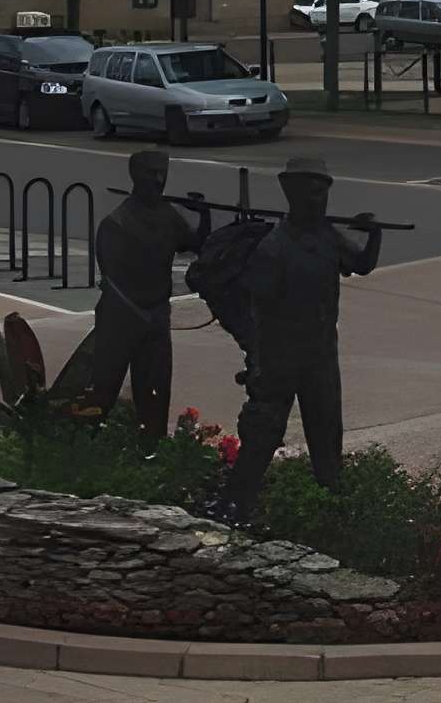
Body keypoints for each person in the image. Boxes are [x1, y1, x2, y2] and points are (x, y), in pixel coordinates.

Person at [214, 154, 382, 516]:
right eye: (311, 193)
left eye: (323, 194)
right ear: (291, 194)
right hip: (281, 358)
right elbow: (256, 313)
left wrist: (374, 235)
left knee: (326, 434)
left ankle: (331, 509)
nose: (318, 201)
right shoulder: (274, 248)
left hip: (321, 356)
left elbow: (362, 265)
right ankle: (236, 505)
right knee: (263, 435)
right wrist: (259, 361)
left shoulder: (327, 237)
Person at [51, 149, 206, 439]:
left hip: (156, 318)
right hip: (120, 320)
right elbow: (112, 279)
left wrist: (204, 215)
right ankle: (85, 444)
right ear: (135, 175)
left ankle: (152, 448)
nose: (158, 180)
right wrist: (140, 313)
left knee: (155, 391)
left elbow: (196, 244)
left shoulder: (167, 215)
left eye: (163, 173)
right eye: (151, 173)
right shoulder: (117, 223)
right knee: (104, 388)